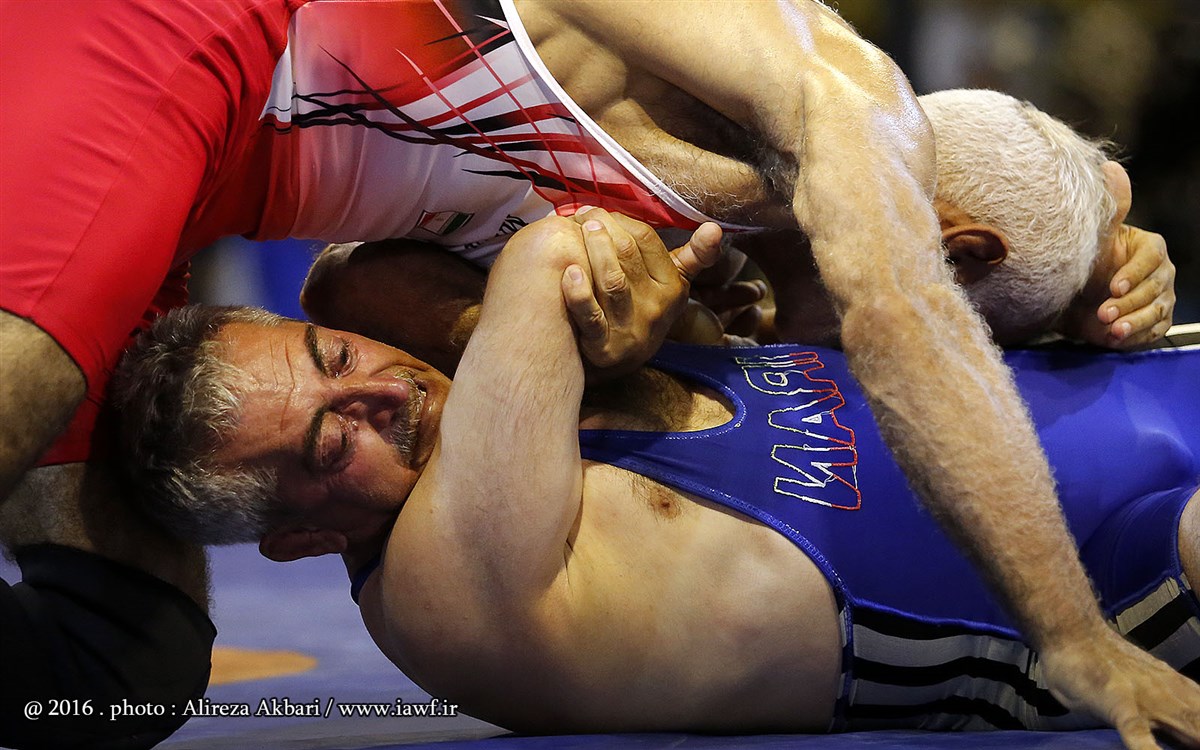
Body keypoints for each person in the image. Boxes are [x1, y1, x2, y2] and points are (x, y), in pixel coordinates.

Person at [0, 0, 1177, 744]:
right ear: (946, 247)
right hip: (163, 42)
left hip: (193, 191)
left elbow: (352, 282)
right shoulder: (827, 99)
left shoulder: (704, 211)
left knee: (120, 669)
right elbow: (907, 329)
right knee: (17, 401)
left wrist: (1109, 269)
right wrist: (1072, 636)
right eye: (990, 334)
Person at [112, 211, 1200, 749]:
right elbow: (550, 253)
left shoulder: (570, 375)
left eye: (338, 358)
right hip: (1135, 586)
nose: (380, 395)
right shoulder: (442, 600)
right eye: (328, 443)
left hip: (1134, 381)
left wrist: (1096, 267)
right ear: (301, 541)